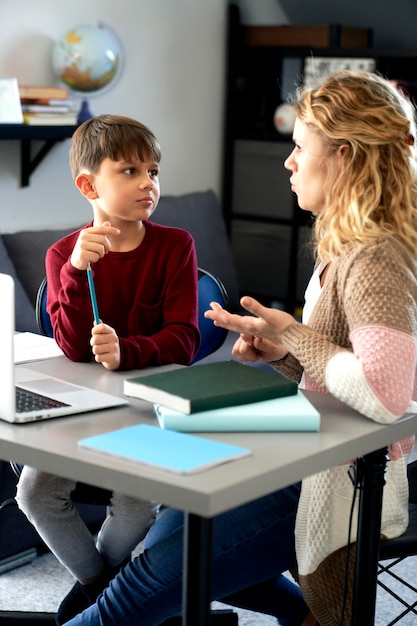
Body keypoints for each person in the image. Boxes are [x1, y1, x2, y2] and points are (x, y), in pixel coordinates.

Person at [64, 70, 417, 626]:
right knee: (157, 553)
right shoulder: (347, 247)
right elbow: (334, 368)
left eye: (300, 147)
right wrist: (280, 352)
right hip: (302, 447)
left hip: (332, 473)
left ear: (344, 156)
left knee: (138, 588)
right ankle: (296, 615)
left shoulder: (375, 258)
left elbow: (385, 391)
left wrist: (292, 334)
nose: (289, 161)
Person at [15, 114, 200, 625]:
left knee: (139, 505)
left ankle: (102, 593)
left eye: (154, 171)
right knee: (33, 492)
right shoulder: (63, 256)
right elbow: (73, 347)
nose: (148, 183)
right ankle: (103, 585)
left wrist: (129, 351)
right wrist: (75, 273)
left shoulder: (174, 246)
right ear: (88, 184)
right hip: (81, 405)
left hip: (146, 404)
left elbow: (184, 341)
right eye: (130, 171)